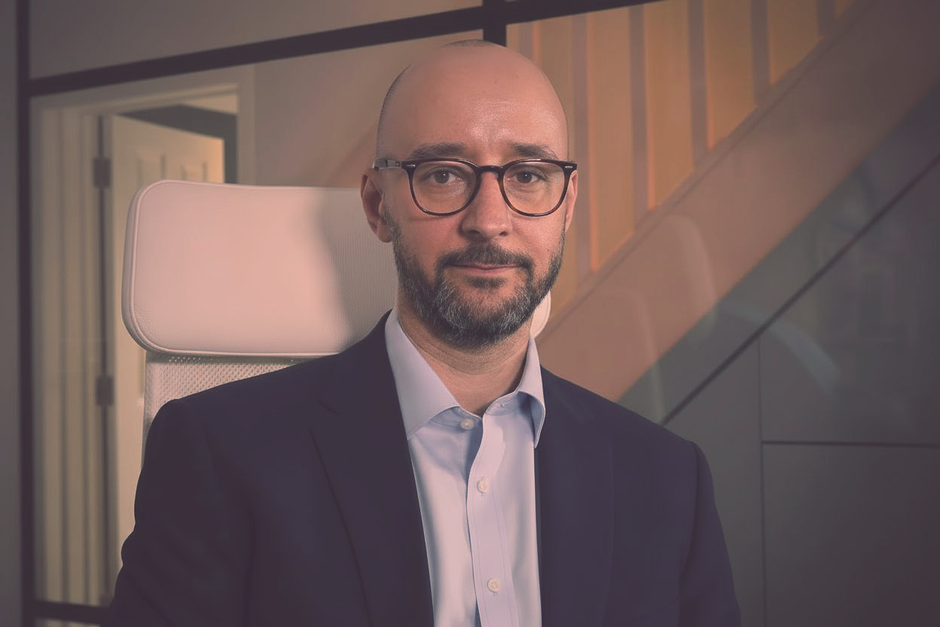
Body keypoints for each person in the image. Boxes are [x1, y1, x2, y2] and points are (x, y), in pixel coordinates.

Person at [106, 41, 739, 626]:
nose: (490, 221)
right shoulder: (217, 453)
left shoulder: (668, 480)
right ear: (379, 207)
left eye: (527, 175)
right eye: (442, 173)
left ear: (567, 203)